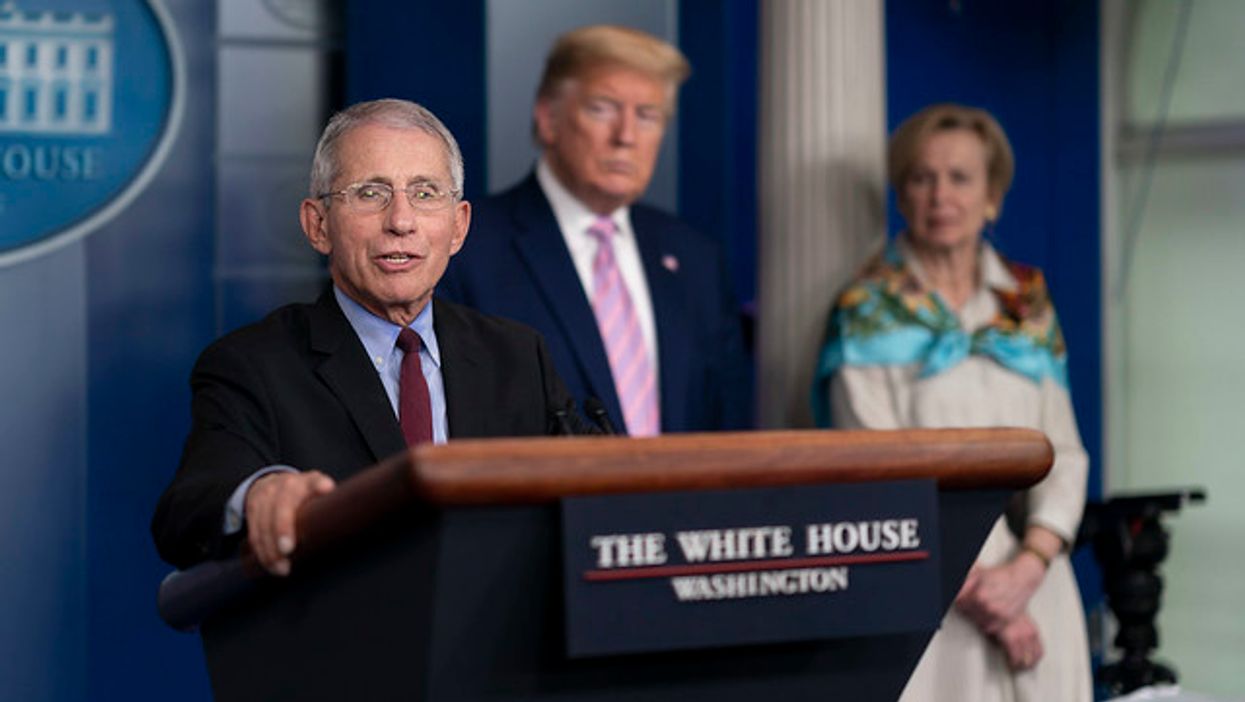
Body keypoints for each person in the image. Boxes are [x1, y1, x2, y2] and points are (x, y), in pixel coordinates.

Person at [152, 99, 580, 575]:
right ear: (318, 225)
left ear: (458, 226)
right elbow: (187, 511)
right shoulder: (252, 365)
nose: (401, 220)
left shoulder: (517, 356)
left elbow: (593, 497)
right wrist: (259, 493)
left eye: (425, 193)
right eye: (371, 193)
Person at [811, 104, 1091, 701]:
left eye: (960, 178)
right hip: (929, 591)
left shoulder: (1027, 300)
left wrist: (1029, 567)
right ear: (902, 193)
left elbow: (1064, 452)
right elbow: (874, 472)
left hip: (1037, 584)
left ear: (992, 195)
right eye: (921, 177)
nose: (941, 194)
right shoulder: (865, 308)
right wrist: (986, 600)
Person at [438, 24, 751, 436]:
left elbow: (726, 429)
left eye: (647, 116)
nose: (626, 136)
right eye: (603, 108)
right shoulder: (467, 249)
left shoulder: (696, 259)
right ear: (549, 118)